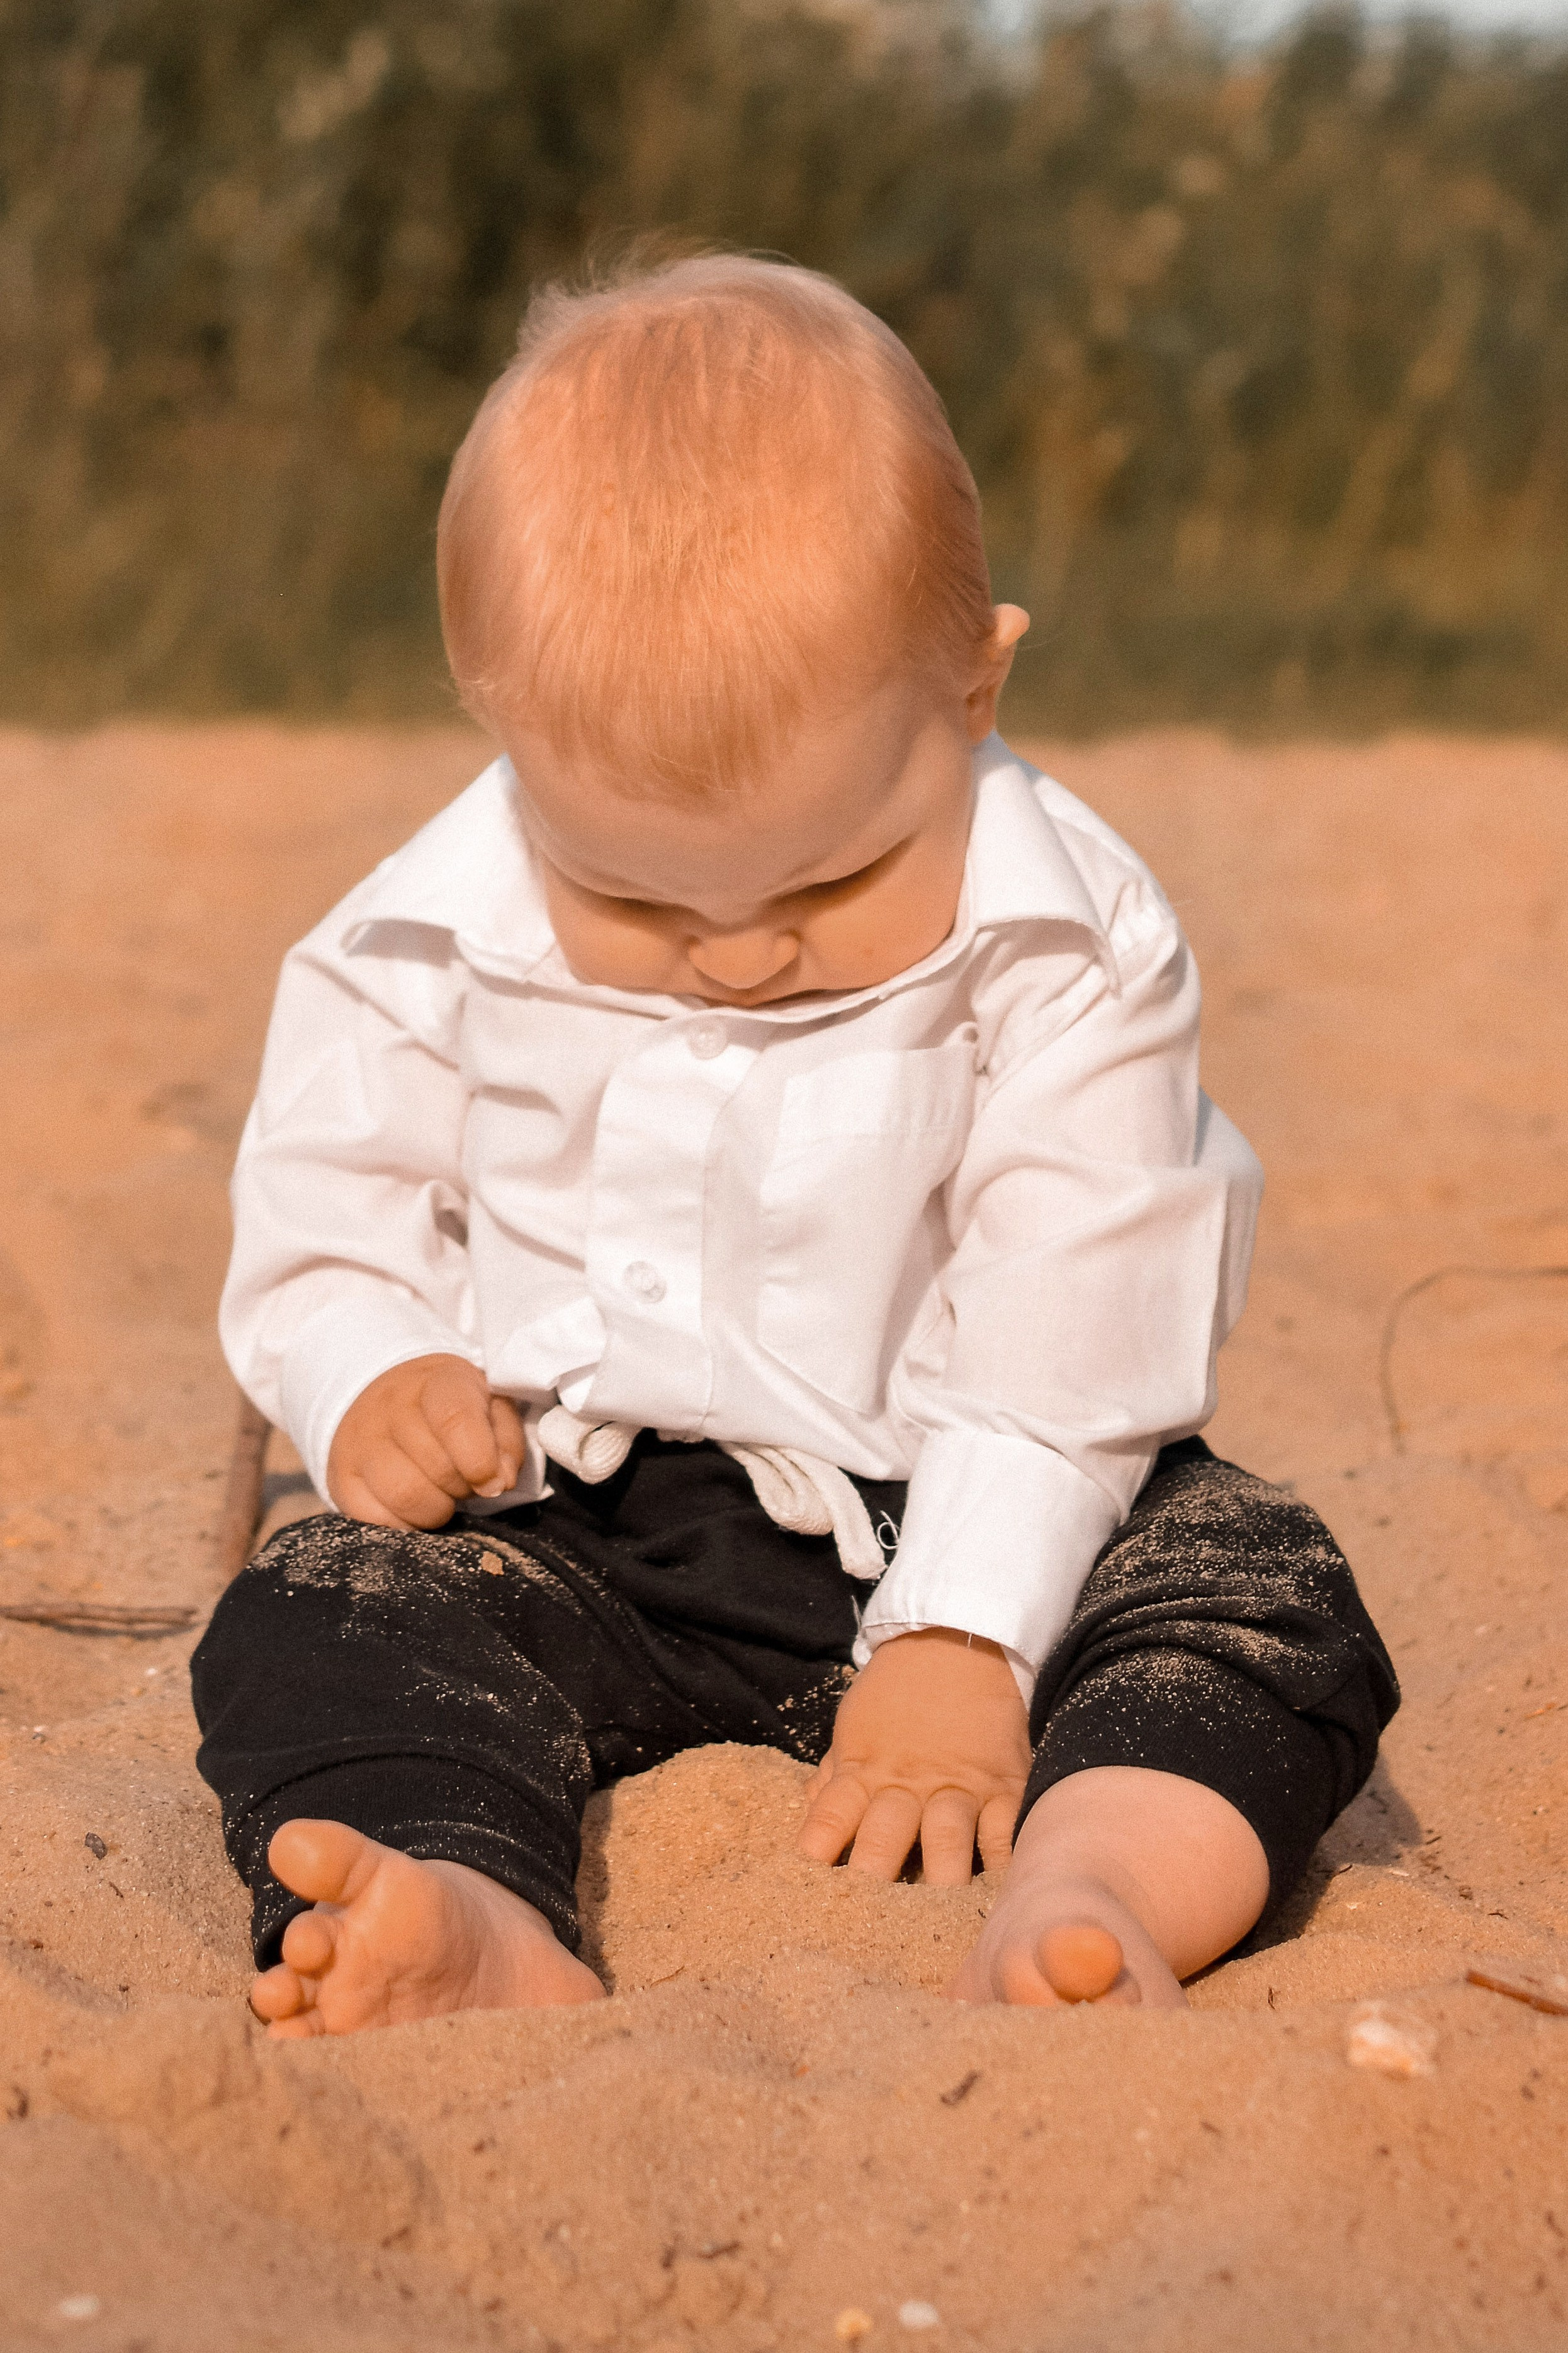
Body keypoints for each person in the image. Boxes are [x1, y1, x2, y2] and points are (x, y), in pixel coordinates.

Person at [193, 253, 1396, 2039]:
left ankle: (1100, 1881)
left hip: (970, 1483)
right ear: (505, 741)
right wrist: (373, 1372)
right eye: (631, 892)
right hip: (568, 1515)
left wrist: (965, 1633)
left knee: (1258, 1588)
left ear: (971, 693)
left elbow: (1074, 1319)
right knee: (321, 1602)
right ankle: (465, 1893)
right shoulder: (416, 939)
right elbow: (327, 1205)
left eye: (831, 877)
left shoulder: (1071, 945)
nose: (745, 949)